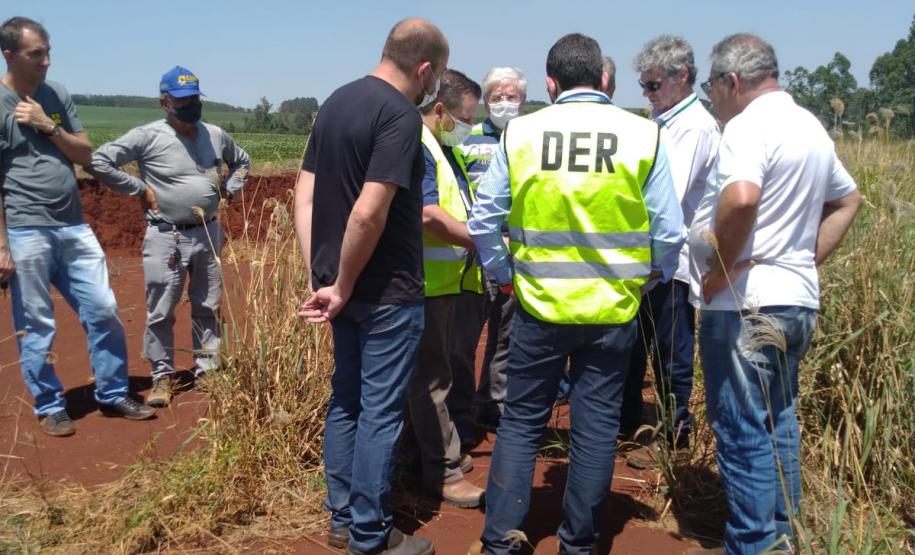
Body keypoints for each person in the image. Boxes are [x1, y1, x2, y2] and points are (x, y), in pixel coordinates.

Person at [467, 33, 684, 554]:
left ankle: (501, 539)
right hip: (612, 310)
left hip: (540, 307)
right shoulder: (642, 134)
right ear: (603, 79)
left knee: (521, 422)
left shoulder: (522, 134)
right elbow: (670, 232)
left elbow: (483, 220)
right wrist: (649, 278)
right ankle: (579, 543)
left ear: (550, 82)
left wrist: (503, 274)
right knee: (597, 429)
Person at [685, 34, 860, 555]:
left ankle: (755, 545)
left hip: (746, 302)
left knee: (741, 428)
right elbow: (848, 200)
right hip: (796, 299)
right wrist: (802, 262)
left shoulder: (746, 126)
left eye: (711, 85)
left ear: (731, 82)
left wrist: (718, 273)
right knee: (778, 417)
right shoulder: (810, 126)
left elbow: (740, 199)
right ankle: (783, 534)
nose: (711, 96)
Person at [295, 18, 447, 555]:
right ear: (424, 68)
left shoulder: (336, 102)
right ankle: (369, 534)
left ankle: (341, 518)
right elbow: (369, 211)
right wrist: (344, 282)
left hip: (346, 289)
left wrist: (324, 276)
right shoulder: (401, 116)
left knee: (347, 402)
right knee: (380, 411)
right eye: (438, 76)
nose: (435, 87)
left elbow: (305, 196)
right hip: (386, 293)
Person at [0, 17, 155, 437]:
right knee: (37, 322)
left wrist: (47, 125)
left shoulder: (56, 96)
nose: (46, 62)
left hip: (72, 226)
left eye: (48, 53)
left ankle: (113, 393)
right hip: (24, 231)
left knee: (103, 309)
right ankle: (50, 405)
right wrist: (1, 245)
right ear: (9, 54)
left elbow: (86, 154)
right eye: (36, 55)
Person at [88, 66, 250, 407]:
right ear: (165, 103)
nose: (191, 105)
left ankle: (208, 368)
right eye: (182, 100)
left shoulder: (216, 135)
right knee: (161, 310)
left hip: (207, 233)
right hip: (167, 237)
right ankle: (162, 376)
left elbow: (243, 162)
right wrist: (137, 189)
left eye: (194, 99)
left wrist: (228, 190)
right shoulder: (148, 137)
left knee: (209, 305)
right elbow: (100, 161)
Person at [621, 35, 720, 469]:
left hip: (670, 261)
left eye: (654, 85)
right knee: (636, 346)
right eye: (644, 86)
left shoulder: (693, 126)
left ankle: (672, 435)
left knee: (670, 350)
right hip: (647, 257)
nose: (647, 94)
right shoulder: (662, 120)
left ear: (682, 77)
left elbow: (666, 198)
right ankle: (633, 425)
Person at [411, 68, 485, 508]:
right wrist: (482, 240)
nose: (469, 128)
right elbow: (427, 215)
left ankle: (426, 456)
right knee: (431, 379)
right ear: (440, 111)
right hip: (426, 283)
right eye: (465, 119)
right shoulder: (421, 147)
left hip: (443, 282)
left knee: (434, 373)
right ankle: (443, 471)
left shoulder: (441, 147)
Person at [455, 67, 527, 434]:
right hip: (473, 250)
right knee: (466, 335)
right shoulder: (465, 140)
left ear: (524, 100)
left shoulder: (531, 141)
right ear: (485, 102)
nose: (504, 103)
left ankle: (494, 405)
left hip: (514, 251)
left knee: (506, 334)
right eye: (497, 97)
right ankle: (463, 411)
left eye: (511, 96)